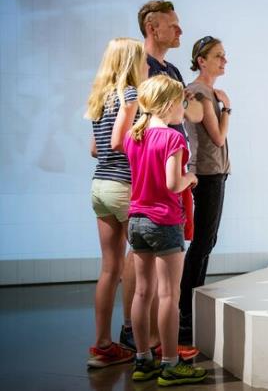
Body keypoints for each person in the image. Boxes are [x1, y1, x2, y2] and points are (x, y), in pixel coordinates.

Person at [119, 0, 199, 358]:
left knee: (148, 284)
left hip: (148, 188)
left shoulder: (172, 71)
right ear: (153, 27)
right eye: (173, 24)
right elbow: (122, 126)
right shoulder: (137, 67)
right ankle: (157, 349)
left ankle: (147, 347)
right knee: (164, 288)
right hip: (150, 185)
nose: (180, 30)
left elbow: (192, 111)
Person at [124, 75, 207, 385]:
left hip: (137, 221)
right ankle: (171, 364)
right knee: (168, 294)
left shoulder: (135, 136)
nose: (182, 109)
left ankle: (143, 360)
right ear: (170, 104)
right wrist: (191, 178)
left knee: (142, 293)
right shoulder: (173, 138)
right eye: (181, 103)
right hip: (164, 221)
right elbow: (173, 183)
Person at [85, 37, 147, 368]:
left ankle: (102, 345)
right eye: (142, 60)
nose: (146, 65)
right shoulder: (131, 94)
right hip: (124, 185)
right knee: (138, 261)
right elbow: (116, 142)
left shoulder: (100, 97)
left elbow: (96, 149)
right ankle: (144, 342)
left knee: (109, 268)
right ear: (131, 62)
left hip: (100, 184)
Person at [179, 36, 231, 342]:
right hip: (208, 173)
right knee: (202, 242)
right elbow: (219, 137)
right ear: (202, 60)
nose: (224, 61)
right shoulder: (201, 92)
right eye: (218, 56)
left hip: (213, 172)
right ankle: (186, 309)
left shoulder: (204, 91)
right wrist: (228, 108)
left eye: (224, 56)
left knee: (205, 241)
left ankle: (189, 305)